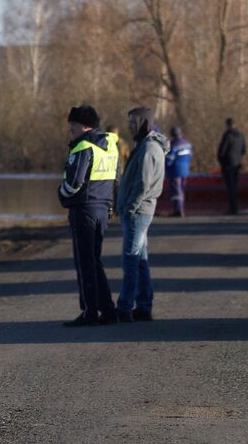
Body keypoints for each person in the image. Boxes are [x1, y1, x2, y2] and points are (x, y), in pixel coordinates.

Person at [58, 104, 118, 326]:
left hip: (84, 209)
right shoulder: (110, 144)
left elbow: (74, 183)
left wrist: (61, 195)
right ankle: (108, 310)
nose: (70, 129)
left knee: (84, 263)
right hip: (102, 208)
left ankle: (89, 312)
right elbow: (116, 177)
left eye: (72, 125)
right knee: (95, 261)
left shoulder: (83, 146)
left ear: (82, 125)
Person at [115, 107, 167, 322]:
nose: (129, 126)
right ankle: (144, 305)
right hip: (139, 211)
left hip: (137, 213)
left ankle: (125, 307)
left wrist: (129, 207)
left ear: (143, 122)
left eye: (133, 122)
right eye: (128, 122)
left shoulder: (148, 149)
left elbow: (143, 184)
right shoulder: (144, 145)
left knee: (131, 260)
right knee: (141, 260)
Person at [216, 118, 246, 214]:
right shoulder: (241, 135)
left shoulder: (227, 136)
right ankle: (236, 207)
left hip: (228, 164)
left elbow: (221, 151)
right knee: (235, 186)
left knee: (230, 187)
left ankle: (232, 208)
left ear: (227, 125)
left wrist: (221, 162)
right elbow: (244, 149)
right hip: (237, 164)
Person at [165, 126, 193, 216]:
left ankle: (178, 210)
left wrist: (164, 165)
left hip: (175, 171)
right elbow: (190, 156)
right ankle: (180, 208)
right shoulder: (187, 144)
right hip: (185, 170)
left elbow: (169, 160)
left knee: (176, 191)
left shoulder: (173, 145)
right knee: (181, 189)